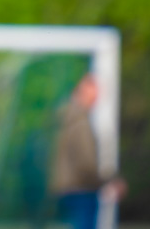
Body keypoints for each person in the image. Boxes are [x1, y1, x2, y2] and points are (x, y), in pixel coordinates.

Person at [47, 74, 126, 229]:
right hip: (81, 189)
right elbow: (86, 164)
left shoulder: (67, 117)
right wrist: (108, 180)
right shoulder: (80, 121)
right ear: (84, 90)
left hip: (69, 189)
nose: (98, 96)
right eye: (95, 90)